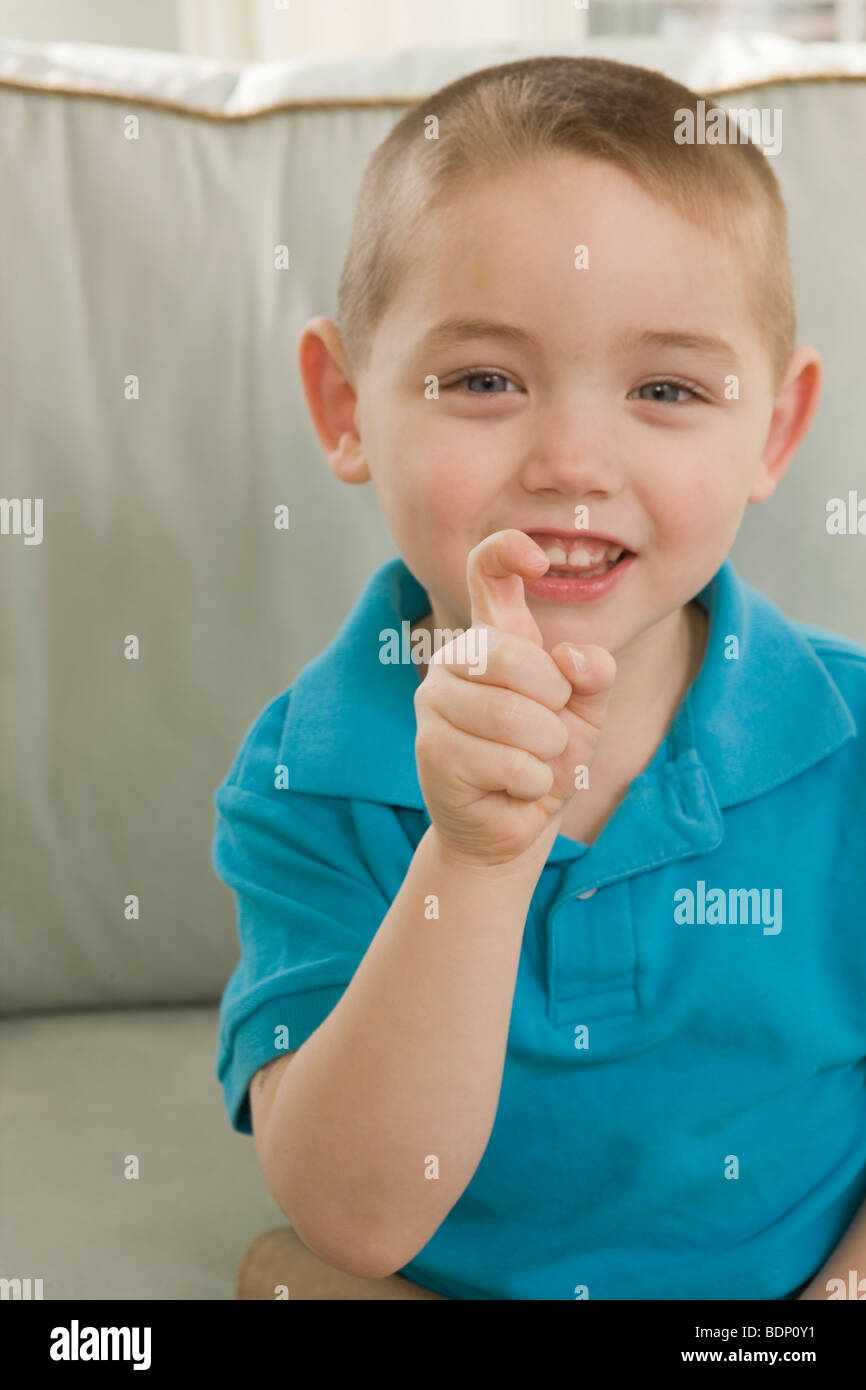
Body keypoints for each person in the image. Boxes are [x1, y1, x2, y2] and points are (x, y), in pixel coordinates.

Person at [212, 55, 866, 1300]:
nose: (572, 460)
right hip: (440, 1285)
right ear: (346, 403)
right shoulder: (309, 766)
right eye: (483, 381)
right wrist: (475, 857)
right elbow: (356, 1216)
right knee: (295, 1279)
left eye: (664, 389)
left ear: (773, 433)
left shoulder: (852, 739)